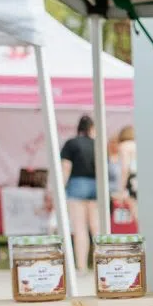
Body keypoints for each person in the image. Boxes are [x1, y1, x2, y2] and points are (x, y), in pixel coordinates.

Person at [60, 115, 98, 270]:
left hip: (77, 185)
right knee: (96, 228)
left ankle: (81, 266)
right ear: (91, 128)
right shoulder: (97, 144)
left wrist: (60, 188)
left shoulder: (71, 143)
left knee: (80, 228)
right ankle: (100, 264)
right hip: (96, 185)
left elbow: (65, 168)